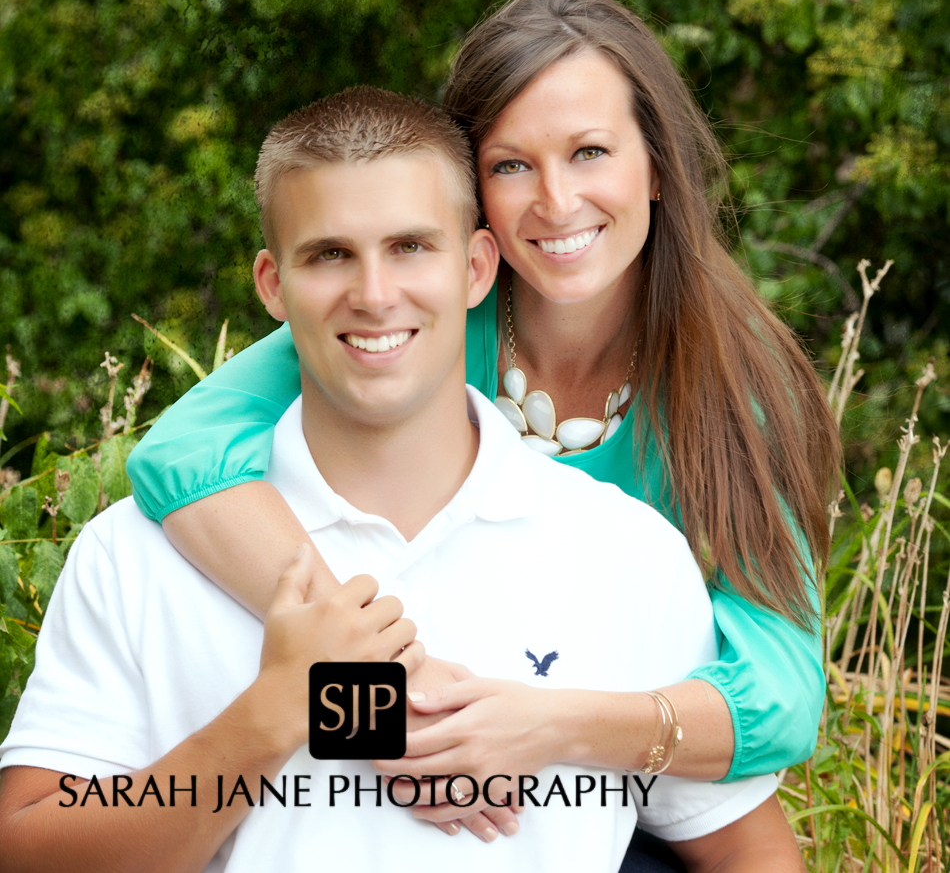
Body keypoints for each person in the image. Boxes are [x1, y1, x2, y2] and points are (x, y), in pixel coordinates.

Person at [0, 88, 803, 873]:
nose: (375, 295)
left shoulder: (629, 554)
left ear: (478, 267)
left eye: (411, 247)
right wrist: (278, 711)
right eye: (330, 255)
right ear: (273, 285)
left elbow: (744, 846)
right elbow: (28, 846)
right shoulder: (134, 555)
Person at [125, 0, 838, 841]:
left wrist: (547, 726)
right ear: (470, 202)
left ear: (657, 166)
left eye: (589, 153)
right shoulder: (409, 321)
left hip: (626, 806)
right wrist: (395, 699)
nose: (557, 201)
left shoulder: (733, 384)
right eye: (510, 166)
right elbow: (183, 453)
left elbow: (784, 697)